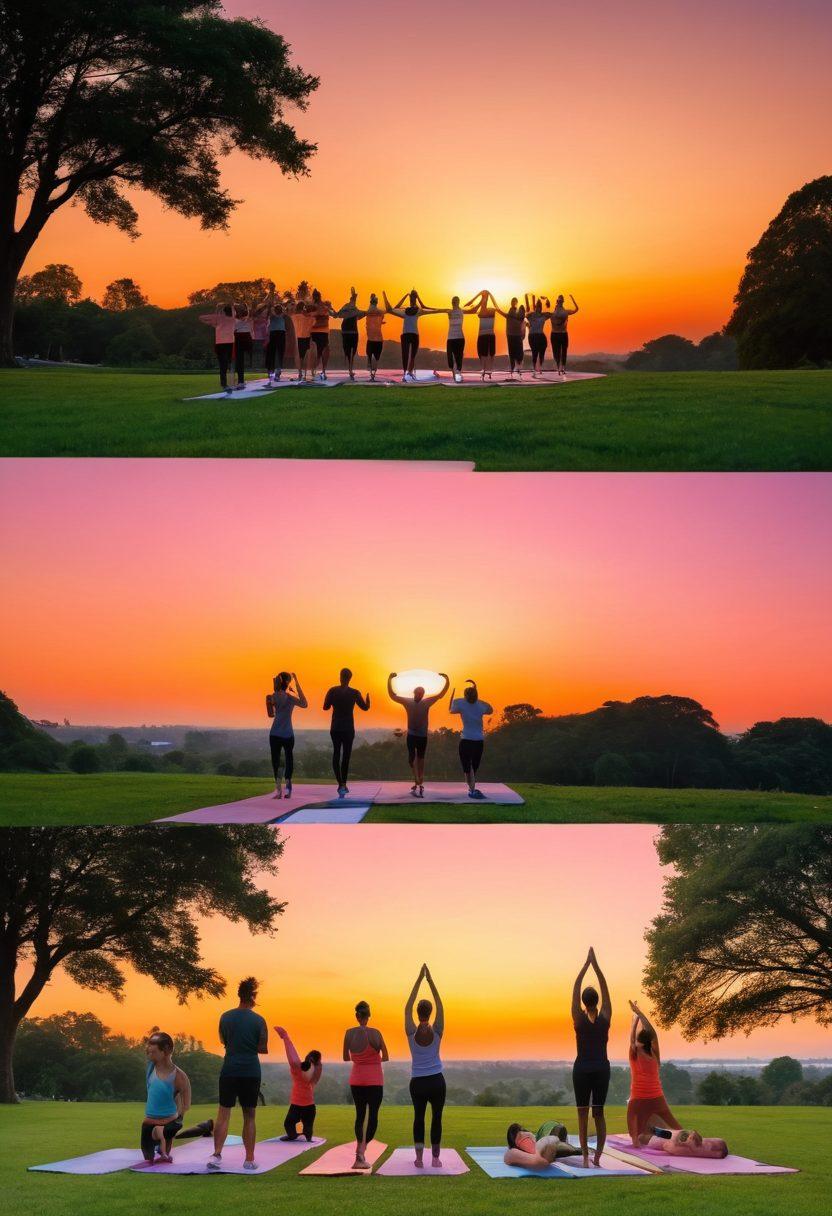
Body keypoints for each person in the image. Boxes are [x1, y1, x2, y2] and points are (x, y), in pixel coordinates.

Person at [208, 977, 268, 1172]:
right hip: (251, 1070)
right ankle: (249, 1160)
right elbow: (263, 1048)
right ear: (253, 996)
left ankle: (216, 1155)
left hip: (230, 1069)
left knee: (223, 1113)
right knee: (249, 1116)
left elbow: (223, 1040)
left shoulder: (225, 1017)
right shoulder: (259, 1020)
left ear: (239, 995)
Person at [571, 946, 612, 1169]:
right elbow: (605, 989)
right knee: (598, 1113)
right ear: (596, 1000)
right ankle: (596, 1158)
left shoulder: (578, 1017)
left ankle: (587, 1157)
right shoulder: (605, 1015)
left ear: (584, 1001)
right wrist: (595, 966)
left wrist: (585, 966)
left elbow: (575, 988)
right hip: (601, 1069)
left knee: (583, 1115)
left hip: (583, 1069)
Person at [404, 963, 446, 1168]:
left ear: (417, 1012)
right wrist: (430, 980)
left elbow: (407, 1006)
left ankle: (419, 1159)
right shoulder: (437, 1030)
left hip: (418, 1082)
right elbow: (441, 1004)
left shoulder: (411, 1032)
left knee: (418, 1119)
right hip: (437, 1080)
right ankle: (436, 1159)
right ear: (430, 1013)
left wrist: (419, 979)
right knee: (436, 1118)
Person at [626, 999, 681, 1145]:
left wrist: (635, 1019)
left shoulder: (635, 1053)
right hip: (657, 1098)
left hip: (638, 1098)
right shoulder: (654, 1054)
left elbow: (631, 1037)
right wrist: (638, 1013)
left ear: (640, 1042)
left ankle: (648, 1134)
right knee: (677, 1129)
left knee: (636, 1137)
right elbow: (653, 1034)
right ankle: (656, 1132)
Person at [387, 671, 450, 796]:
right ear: (415, 693)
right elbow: (392, 696)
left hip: (422, 736)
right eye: (419, 693)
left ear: (423, 695)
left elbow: (441, 695)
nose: (420, 696)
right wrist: (389, 680)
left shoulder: (427, 702)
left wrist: (447, 681)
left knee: (421, 759)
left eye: (422, 694)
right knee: (411, 759)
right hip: (411, 735)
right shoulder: (407, 701)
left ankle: (419, 781)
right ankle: (417, 779)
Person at [343, 1000, 389, 1169]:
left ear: (357, 1016)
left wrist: (359, 1059)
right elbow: (386, 1057)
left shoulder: (348, 1033)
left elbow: (346, 1058)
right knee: (373, 1116)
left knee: (360, 1115)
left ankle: (359, 1153)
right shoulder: (376, 1033)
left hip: (356, 1080)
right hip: (375, 1079)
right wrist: (373, 1058)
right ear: (368, 1016)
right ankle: (362, 1152)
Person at [140, 1031, 192, 1163]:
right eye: (149, 1052)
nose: (149, 1055)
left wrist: (169, 1121)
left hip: (169, 1121)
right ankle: (158, 1144)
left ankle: (163, 1143)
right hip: (149, 1122)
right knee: (148, 1158)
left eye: (154, 1052)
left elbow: (186, 1105)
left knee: (163, 1136)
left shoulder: (180, 1076)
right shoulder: (150, 1069)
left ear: (167, 1050)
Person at [323, 667, 371, 797]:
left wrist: (332, 699)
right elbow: (365, 708)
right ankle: (343, 783)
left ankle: (340, 783)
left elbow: (325, 707)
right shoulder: (355, 692)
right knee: (346, 757)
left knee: (336, 754)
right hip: (348, 728)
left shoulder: (332, 690)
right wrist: (368, 700)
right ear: (350, 678)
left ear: (340, 677)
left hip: (336, 727)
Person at [275, 1025, 322, 1142]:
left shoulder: (310, 1070)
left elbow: (293, 1058)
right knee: (291, 1124)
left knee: (305, 1129)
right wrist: (285, 1037)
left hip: (304, 1105)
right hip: (301, 1105)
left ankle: (301, 1135)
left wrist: (285, 1037)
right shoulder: (305, 1069)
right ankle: (296, 1135)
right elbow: (294, 1058)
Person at [448, 679, 493, 797]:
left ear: (465, 695)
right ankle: (471, 788)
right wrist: (477, 697)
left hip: (466, 740)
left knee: (468, 767)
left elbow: (451, 710)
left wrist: (452, 699)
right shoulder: (481, 704)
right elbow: (490, 710)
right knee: (472, 767)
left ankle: (472, 789)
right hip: (478, 741)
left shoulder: (461, 703)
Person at [267, 671, 308, 799]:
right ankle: (288, 787)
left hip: (275, 733)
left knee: (277, 762)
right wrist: (296, 682)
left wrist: (271, 699)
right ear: (287, 683)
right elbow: (305, 704)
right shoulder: (290, 698)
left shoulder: (271, 697)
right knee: (289, 759)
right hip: (288, 734)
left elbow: (270, 714)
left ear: (278, 682)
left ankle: (279, 789)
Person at [420, 295, 479, 382]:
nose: (453, 303)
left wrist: (481, 296)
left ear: (458, 302)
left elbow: (474, 310)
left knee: (459, 357)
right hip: (451, 338)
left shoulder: (462, 311)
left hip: (460, 337)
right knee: (450, 358)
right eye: (452, 302)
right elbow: (437, 310)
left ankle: (457, 376)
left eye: (454, 301)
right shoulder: (449, 311)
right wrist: (424, 306)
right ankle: (454, 375)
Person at [384, 289, 428, 381]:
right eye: (412, 298)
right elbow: (393, 308)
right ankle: (405, 374)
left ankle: (409, 372)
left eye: (413, 298)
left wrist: (416, 296)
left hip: (413, 335)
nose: (412, 300)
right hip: (406, 335)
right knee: (406, 354)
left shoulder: (417, 310)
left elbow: (423, 307)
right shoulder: (405, 311)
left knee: (412, 355)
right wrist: (406, 295)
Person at [504, 1120, 581, 1169]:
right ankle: (583, 1151)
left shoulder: (541, 1139)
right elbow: (540, 1161)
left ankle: (584, 1151)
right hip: (551, 1134)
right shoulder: (519, 1147)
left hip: (553, 1131)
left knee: (557, 1145)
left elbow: (540, 1161)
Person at [198, 304, 237, 396]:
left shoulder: (219, 318)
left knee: (224, 364)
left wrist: (213, 322)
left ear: (223, 311)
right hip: (228, 343)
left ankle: (225, 384)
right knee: (226, 363)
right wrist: (214, 323)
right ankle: (225, 384)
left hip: (222, 343)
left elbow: (201, 317)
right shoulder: (232, 319)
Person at [464, 290, 497, 379]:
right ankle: (485, 370)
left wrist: (472, 300)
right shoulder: (487, 311)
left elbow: (485, 293)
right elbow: (486, 295)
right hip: (484, 335)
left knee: (488, 353)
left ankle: (488, 370)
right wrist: (473, 301)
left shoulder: (489, 310)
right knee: (484, 353)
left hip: (485, 335)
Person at [641, 1126, 729, 1158]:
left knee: (643, 1136)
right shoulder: (694, 1143)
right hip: (662, 1135)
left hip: (656, 1139)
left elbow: (667, 1146)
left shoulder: (688, 1148)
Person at [260, 288, 289, 382]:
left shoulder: (283, 316)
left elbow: (285, 310)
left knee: (280, 353)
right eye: (277, 308)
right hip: (273, 334)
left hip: (280, 334)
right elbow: (269, 310)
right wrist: (270, 303)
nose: (278, 310)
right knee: (271, 353)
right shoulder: (272, 316)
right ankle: (271, 371)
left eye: (279, 308)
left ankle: (278, 371)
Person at [494, 295, 527, 378]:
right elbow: (502, 312)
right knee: (512, 352)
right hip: (511, 335)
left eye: (514, 302)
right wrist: (496, 309)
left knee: (518, 352)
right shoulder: (510, 313)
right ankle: (513, 368)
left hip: (517, 336)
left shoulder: (519, 314)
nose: (513, 303)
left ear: (516, 303)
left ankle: (517, 368)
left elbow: (523, 319)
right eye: (512, 302)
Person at [336, 288, 366, 380]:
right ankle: (350, 369)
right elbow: (339, 313)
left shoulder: (355, 309)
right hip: (347, 331)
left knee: (352, 351)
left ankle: (350, 369)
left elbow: (360, 315)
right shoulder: (346, 307)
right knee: (348, 351)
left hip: (353, 331)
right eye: (353, 299)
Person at [550, 293, 579, 377]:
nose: (560, 302)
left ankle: (562, 367)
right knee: (556, 352)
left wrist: (573, 299)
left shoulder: (565, 312)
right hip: (555, 334)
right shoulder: (553, 313)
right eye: (559, 301)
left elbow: (576, 309)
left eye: (561, 301)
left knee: (563, 351)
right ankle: (559, 366)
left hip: (563, 334)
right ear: (557, 302)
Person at [310, 288, 334, 380]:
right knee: (318, 352)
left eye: (317, 296)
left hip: (323, 331)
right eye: (314, 296)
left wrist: (329, 310)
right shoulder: (312, 306)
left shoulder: (325, 305)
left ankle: (323, 370)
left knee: (324, 350)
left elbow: (333, 313)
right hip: (315, 331)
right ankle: (316, 369)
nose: (316, 297)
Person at [525, 294, 551, 376]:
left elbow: (550, 314)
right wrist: (534, 313)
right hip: (533, 336)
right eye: (538, 307)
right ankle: (534, 369)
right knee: (534, 353)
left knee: (542, 353)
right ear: (535, 307)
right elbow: (526, 315)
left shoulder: (543, 316)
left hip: (541, 336)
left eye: (540, 307)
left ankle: (539, 367)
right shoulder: (531, 315)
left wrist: (547, 301)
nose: (539, 308)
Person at [233, 304, 255, 390]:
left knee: (239, 361)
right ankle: (240, 381)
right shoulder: (248, 319)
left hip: (239, 337)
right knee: (241, 360)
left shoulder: (235, 320)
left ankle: (240, 381)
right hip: (245, 337)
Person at [364, 294, 386, 380]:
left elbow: (371, 311)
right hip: (378, 339)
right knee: (376, 358)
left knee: (370, 358)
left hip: (372, 339)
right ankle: (373, 375)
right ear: (377, 303)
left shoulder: (368, 311)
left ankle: (372, 375)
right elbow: (379, 319)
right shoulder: (380, 312)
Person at [292, 300, 315, 382]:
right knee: (304, 356)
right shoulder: (308, 317)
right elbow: (313, 322)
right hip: (306, 337)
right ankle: (303, 373)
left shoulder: (295, 316)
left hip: (299, 337)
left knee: (300, 356)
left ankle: (300, 372)